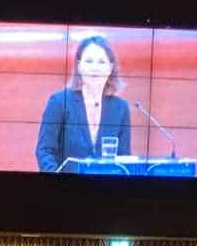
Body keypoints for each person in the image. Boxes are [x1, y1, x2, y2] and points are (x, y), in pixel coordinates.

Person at [35, 35, 131, 173]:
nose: (95, 68)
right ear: (79, 66)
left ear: (110, 68)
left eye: (101, 62)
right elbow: (45, 151)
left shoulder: (120, 108)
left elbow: (124, 159)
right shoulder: (59, 102)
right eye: (89, 61)